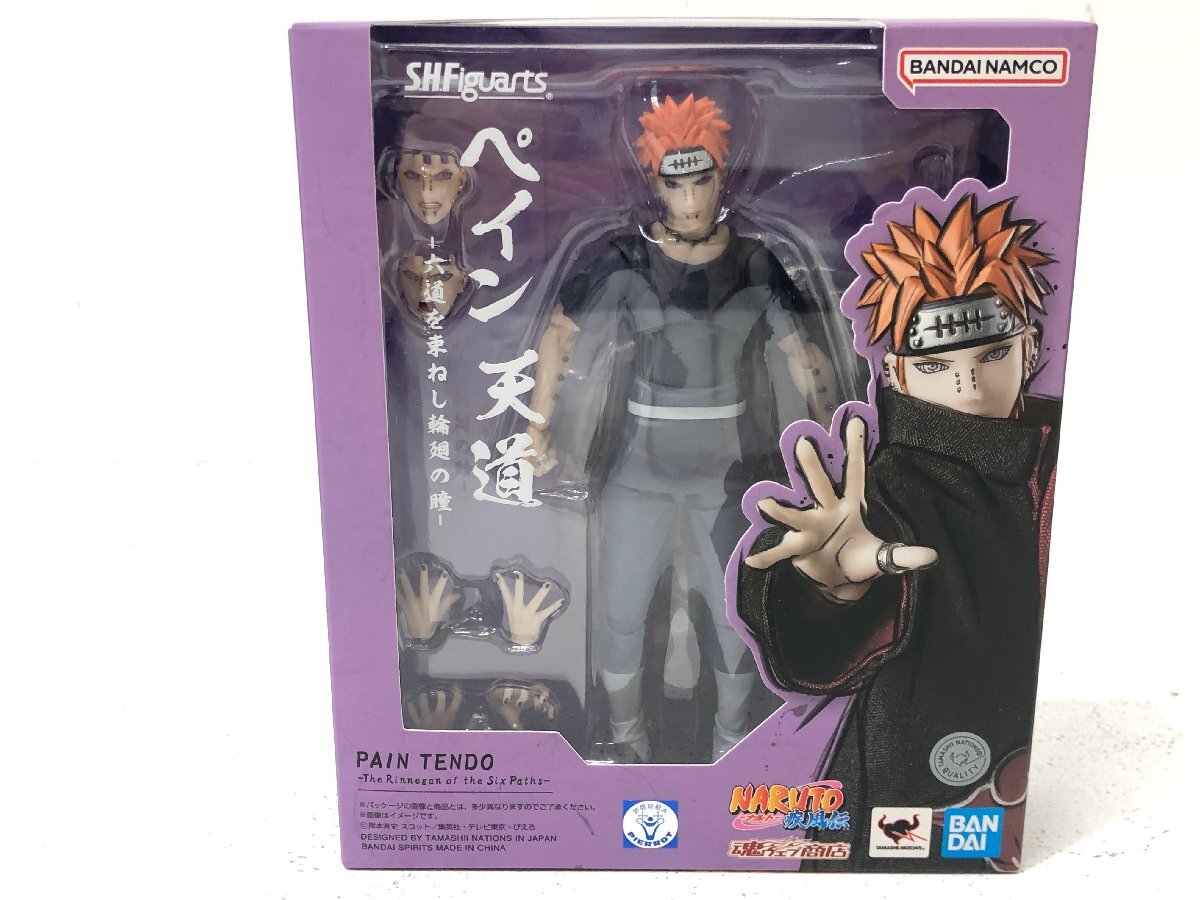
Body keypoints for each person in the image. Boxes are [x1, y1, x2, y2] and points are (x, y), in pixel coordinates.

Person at [737, 192, 1056, 870]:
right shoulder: (894, 487)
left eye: (992, 354)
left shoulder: (1057, 454)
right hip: (908, 801)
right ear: (895, 371)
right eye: (938, 365)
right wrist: (827, 588)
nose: (969, 388)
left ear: (1029, 347)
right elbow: (816, 638)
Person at [526, 93, 842, 762]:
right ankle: (625, 738)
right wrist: (539, 427)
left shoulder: (755, 262)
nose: (692, 199)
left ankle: (732, 739)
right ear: (655, 183)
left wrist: (832, 446)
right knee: (619, 612)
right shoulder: (626, 259)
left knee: (735, 619)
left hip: (727, 477)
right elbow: (558, 332)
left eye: (703, 180)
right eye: (677, 183)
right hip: (636, 471)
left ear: (722, 176)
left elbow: (805, 354)